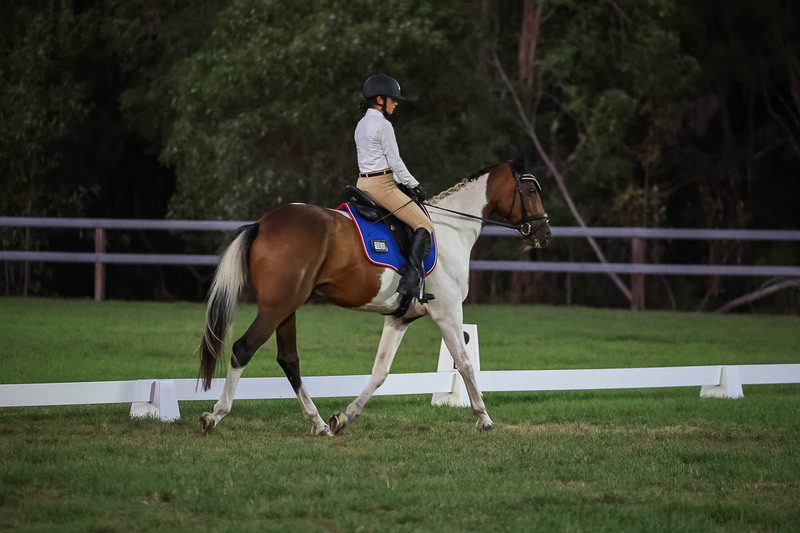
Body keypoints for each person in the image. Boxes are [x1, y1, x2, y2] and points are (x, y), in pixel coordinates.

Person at [354, 74, 434, 302]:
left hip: (363, 183)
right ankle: (410, 282)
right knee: (424, 225)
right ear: (380, 99)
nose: (396, 103)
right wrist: (414, 184)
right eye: (393, 99)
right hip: (382, 185)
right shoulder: (383, 125)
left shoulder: (360, 125)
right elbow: (395, 162)